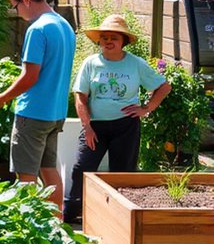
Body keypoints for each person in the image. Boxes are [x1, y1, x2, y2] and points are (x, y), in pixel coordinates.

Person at [63, 15, 171, 223]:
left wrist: (146, 108)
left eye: (114, 37)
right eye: (104, 37)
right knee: (81, 167)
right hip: (95, 127)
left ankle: (119, 218)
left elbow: (163, 86)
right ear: (99, 41)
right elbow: (81, 96)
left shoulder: (136, 64)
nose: (108, 41)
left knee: (122, 172)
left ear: (124, 41)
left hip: (126, 126)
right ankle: (71, 213)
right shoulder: (91, 63)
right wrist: (88, 127)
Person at [0, 0, 75, 211]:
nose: (17, 12)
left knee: (26, 177)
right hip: (55, 113)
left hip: (33, 113)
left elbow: (30, 77)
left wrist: (2, 98)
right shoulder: (64, 26)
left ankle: (28, 231)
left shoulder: (38, 29)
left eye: (15, 6)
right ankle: (57, 226)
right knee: (49, 170)